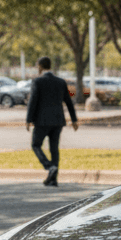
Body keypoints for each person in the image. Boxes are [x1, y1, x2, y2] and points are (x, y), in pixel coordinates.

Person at [26, 56, 78, 186]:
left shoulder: (38, 81)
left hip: (42, 121)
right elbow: (68, 102)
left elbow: (33, 101)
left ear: (40, 66)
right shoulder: (60, 82)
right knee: (54, 149)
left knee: (35, 145)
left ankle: (49, 167)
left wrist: (28, 119)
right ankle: (53, 179)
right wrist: (74, 119)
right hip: (58, 120)